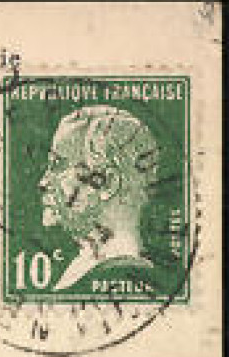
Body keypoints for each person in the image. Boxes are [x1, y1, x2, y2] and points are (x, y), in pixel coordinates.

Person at [37, 104, 161, 291]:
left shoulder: (110, 275)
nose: (44, 182)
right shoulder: (86, 271)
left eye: (58, 165)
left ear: (108, 183)